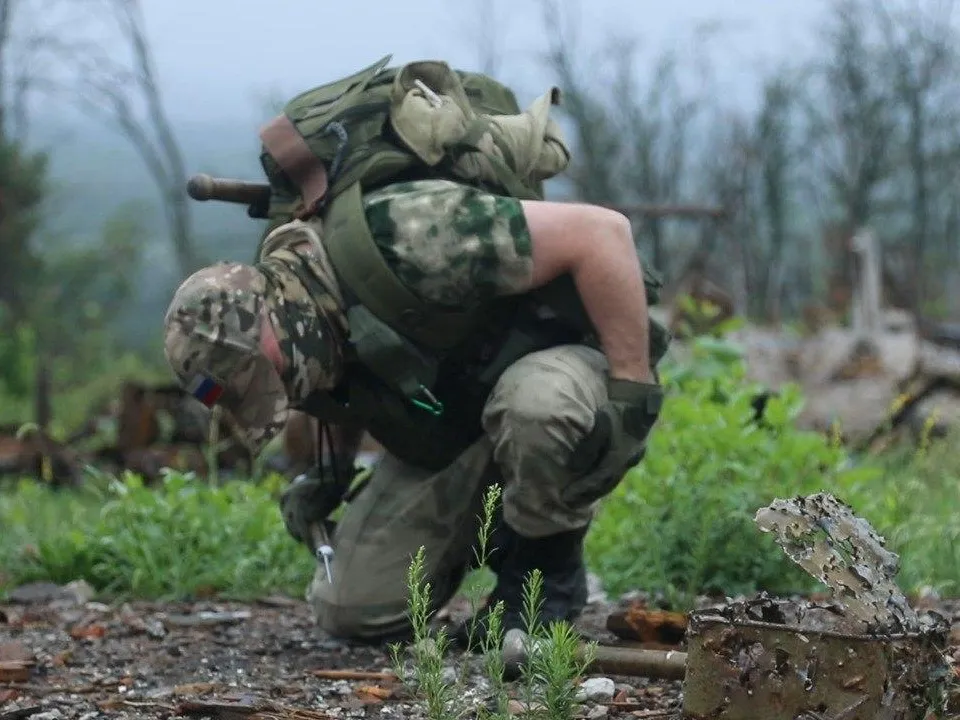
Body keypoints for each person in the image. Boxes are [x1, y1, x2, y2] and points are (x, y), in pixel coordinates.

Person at [162, 57, 670, 652]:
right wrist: (330, 475)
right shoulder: (301, 317)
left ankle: (539, 580)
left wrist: (632, 390)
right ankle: (500, 524)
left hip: (561, 361)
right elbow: (344, 382)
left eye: (269, 382)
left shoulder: (410, 232)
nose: (285, 396)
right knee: (353, 611)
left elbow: (601, 234)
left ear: (268, 331)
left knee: (536, 408)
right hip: (451, 419)